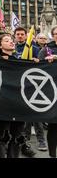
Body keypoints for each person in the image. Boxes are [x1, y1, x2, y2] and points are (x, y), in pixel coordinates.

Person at [0, 33, 28, 158]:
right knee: (2, 135)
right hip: (1, 104)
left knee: (17, 136)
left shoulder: (17, 61)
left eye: (12, 40)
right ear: (0, 46)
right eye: (7, 40)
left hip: (18, 104)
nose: (12, 42)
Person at [14, 27, 39, 157]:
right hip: (13, 87)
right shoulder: (10, 48)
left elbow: (41, 65)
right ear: (15, 36)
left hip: (28, 87)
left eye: (22, 34)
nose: (19, 36)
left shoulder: (34, 49)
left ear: (25, 36)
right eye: (17, 34)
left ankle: (24, 145)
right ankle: (12, 145)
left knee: (23, 119)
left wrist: (37, 61)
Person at [38, 26, 57, 158]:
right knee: (54, 125)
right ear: (53, 35)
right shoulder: (46, 49)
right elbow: (38, 67)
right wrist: (46, 62)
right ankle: (52, 154)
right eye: (56, 34)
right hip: (52, 92)